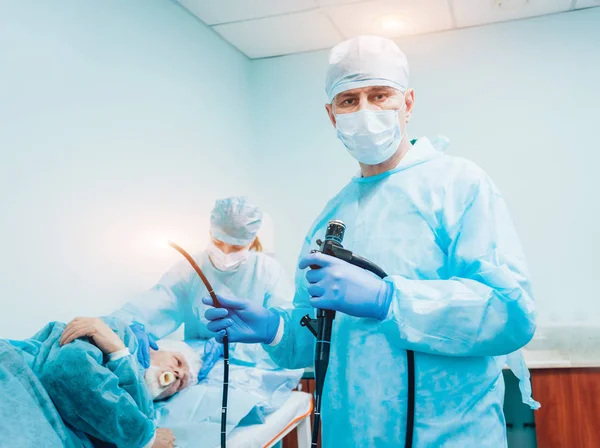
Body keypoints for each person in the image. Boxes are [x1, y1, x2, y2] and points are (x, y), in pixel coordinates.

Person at [202, 35, 540, 447]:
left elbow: (511, 312)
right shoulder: (330, 220)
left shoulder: (458, 186)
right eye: (348, 100)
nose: (364, 111)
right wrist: (275, 329)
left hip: (451, 437)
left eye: (380, 95)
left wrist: (389, 300)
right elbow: (318, 343)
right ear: (331, 115)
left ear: (408, 103)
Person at [112, 196, 295, 372]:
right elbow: (158, 302)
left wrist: (231, 348)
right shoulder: (191, 269)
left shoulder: (267, 270)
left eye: (236, 247)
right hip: (200, 364)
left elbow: (284, 334)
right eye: (218, 242)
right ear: (210, 233)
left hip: (258, 371)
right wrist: (132, 325)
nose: (225, 252)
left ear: (251, 241)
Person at [3, 316, 201, 448]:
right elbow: (69, 371)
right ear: (155, 348)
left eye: (180, 382)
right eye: (177, 361)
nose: (177, 373)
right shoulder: (116, 335)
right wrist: (119, 351)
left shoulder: (144, 414)